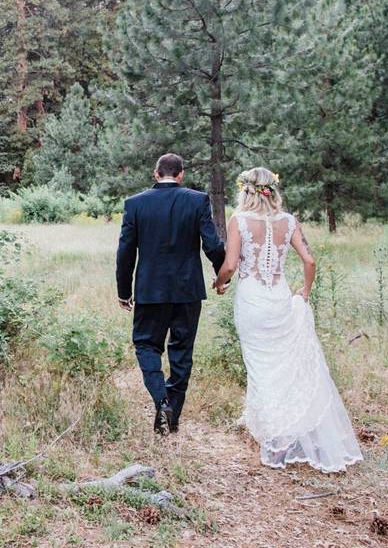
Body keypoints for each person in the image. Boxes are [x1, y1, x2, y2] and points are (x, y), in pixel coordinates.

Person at [212, 167, 363, 472]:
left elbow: (229, 264)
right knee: (281, 365)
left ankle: (274, 437)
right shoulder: (289, 221)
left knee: (259, 365)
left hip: (252, 301)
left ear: (246, 191)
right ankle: (280, 429)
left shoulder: (239, 220)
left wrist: (219, 282)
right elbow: (309, 259)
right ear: (272, 191)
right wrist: (304, 292)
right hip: (279, 298)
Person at [116, 153, 226, 435]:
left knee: (146, 345)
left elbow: (126, 252)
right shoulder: (197, 200)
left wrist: (124, 291)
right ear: (181, 175)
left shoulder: (135, 204)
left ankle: (161, 401)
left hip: (150, 290)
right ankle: (172, 416)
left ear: (156, 173)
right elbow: (212, 244)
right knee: (181, 351)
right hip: (187, 290)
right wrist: (220, 274)